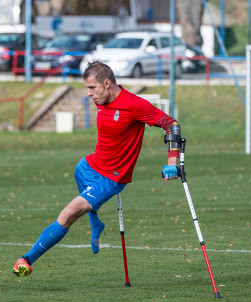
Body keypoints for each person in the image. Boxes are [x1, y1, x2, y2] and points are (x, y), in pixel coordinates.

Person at [13, 61, 181, 276]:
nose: (90, 94)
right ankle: (96, 223)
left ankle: (27, 259)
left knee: (69, 212)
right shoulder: (101, 100)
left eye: (92, 88)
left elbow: (171, 124)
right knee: (79, 176)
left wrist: (171, 164)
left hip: (110, 178)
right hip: (88, 166)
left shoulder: (134, 104)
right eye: (87, 89)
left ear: (107, 83)